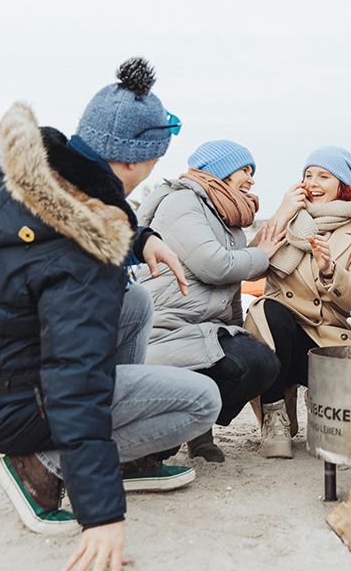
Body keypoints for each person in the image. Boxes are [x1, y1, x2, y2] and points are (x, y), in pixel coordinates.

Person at [0, 59, 222, 571]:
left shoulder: (23, 177)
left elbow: (68, 212)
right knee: (203, 400)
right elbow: (75, 379)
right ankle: (42, 466)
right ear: (136, 161)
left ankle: (119, 456)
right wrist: (101, 514)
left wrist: (141, 239)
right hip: (10, 407)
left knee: (135, 303)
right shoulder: (83, 251)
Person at [137, 140, 285, 462]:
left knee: (259, 362)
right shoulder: (181, 202)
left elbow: (230, 292)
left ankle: (198, 429)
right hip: (167, 328)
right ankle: (164, 437)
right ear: (221, 170)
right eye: (245, 170)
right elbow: (215, 265)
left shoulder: (227, 221)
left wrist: (240, 334)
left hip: (203, 329)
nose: (251, 179)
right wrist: (262, 255)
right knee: (241, 362)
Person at [244, 146, 351, 458]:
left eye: (324, 176)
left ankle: (318, 398)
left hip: (329, 336)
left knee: (335, 436)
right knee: (268, 311)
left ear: (342, 185)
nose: (313, 183)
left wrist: (330, 270)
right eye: (308, 175)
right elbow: (250, 265)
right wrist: (282, 213)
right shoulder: (289, 221)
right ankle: (275, 415)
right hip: (282, 333)